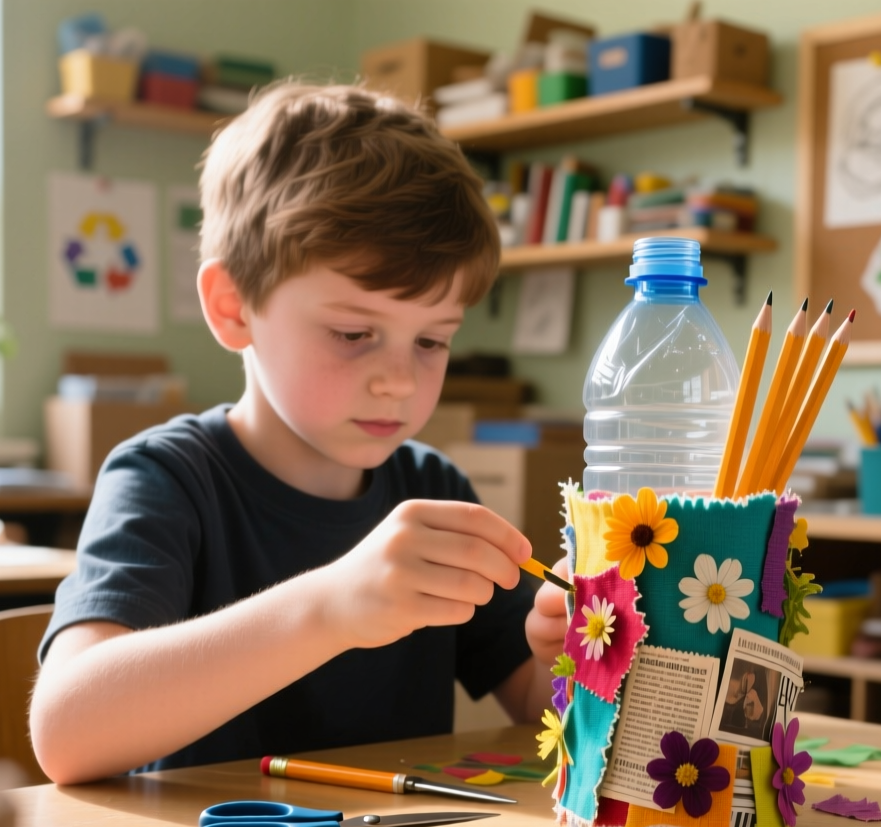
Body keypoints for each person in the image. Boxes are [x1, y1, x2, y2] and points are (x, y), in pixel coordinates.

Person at [29, 83, 569, 784]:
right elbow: (67, 732)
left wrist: (555, 654)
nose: (400, 381)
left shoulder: (433, 488)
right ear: (234, 308)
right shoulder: (167, 480)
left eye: (433, 341)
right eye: (353, 333)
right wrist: (329, 608)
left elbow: (531, 708)